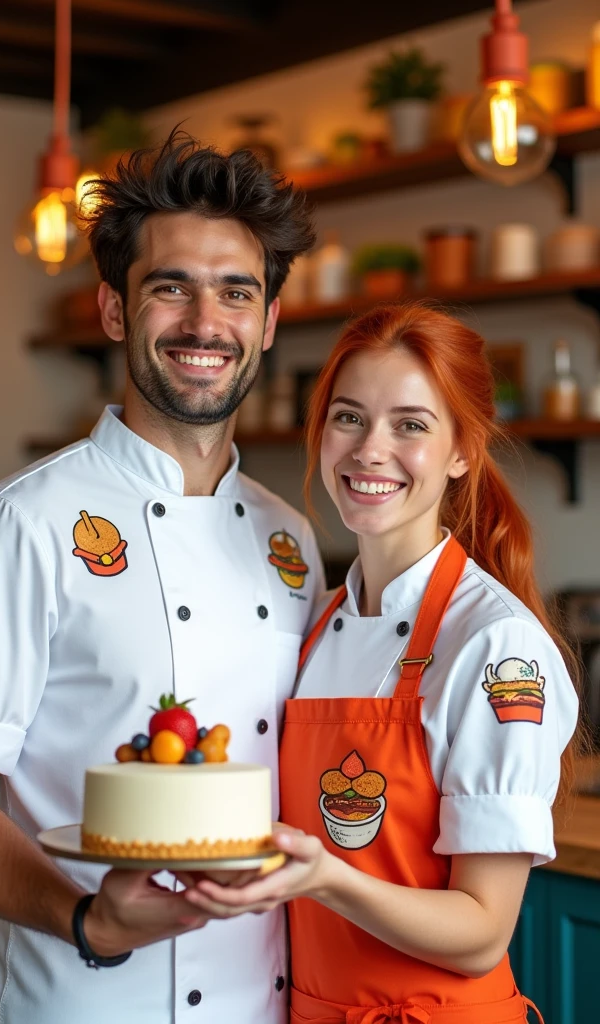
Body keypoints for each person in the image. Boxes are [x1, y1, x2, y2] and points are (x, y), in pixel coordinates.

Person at [0, 131, 324, 1024]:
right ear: (112, 310)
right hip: (78, 997)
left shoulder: (292, 540)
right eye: (170, 286)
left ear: (269, 323)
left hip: (265, 1002)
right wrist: (89, 921)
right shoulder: (17, 525)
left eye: (236, 293)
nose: (205, 323)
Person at [182, 302, 581, 1024]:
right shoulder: (316, 623)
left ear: (463, 450)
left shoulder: (495, 647)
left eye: (411, 425)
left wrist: (325, 879)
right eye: (349, 417)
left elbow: (482, 933)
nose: (370, 449)